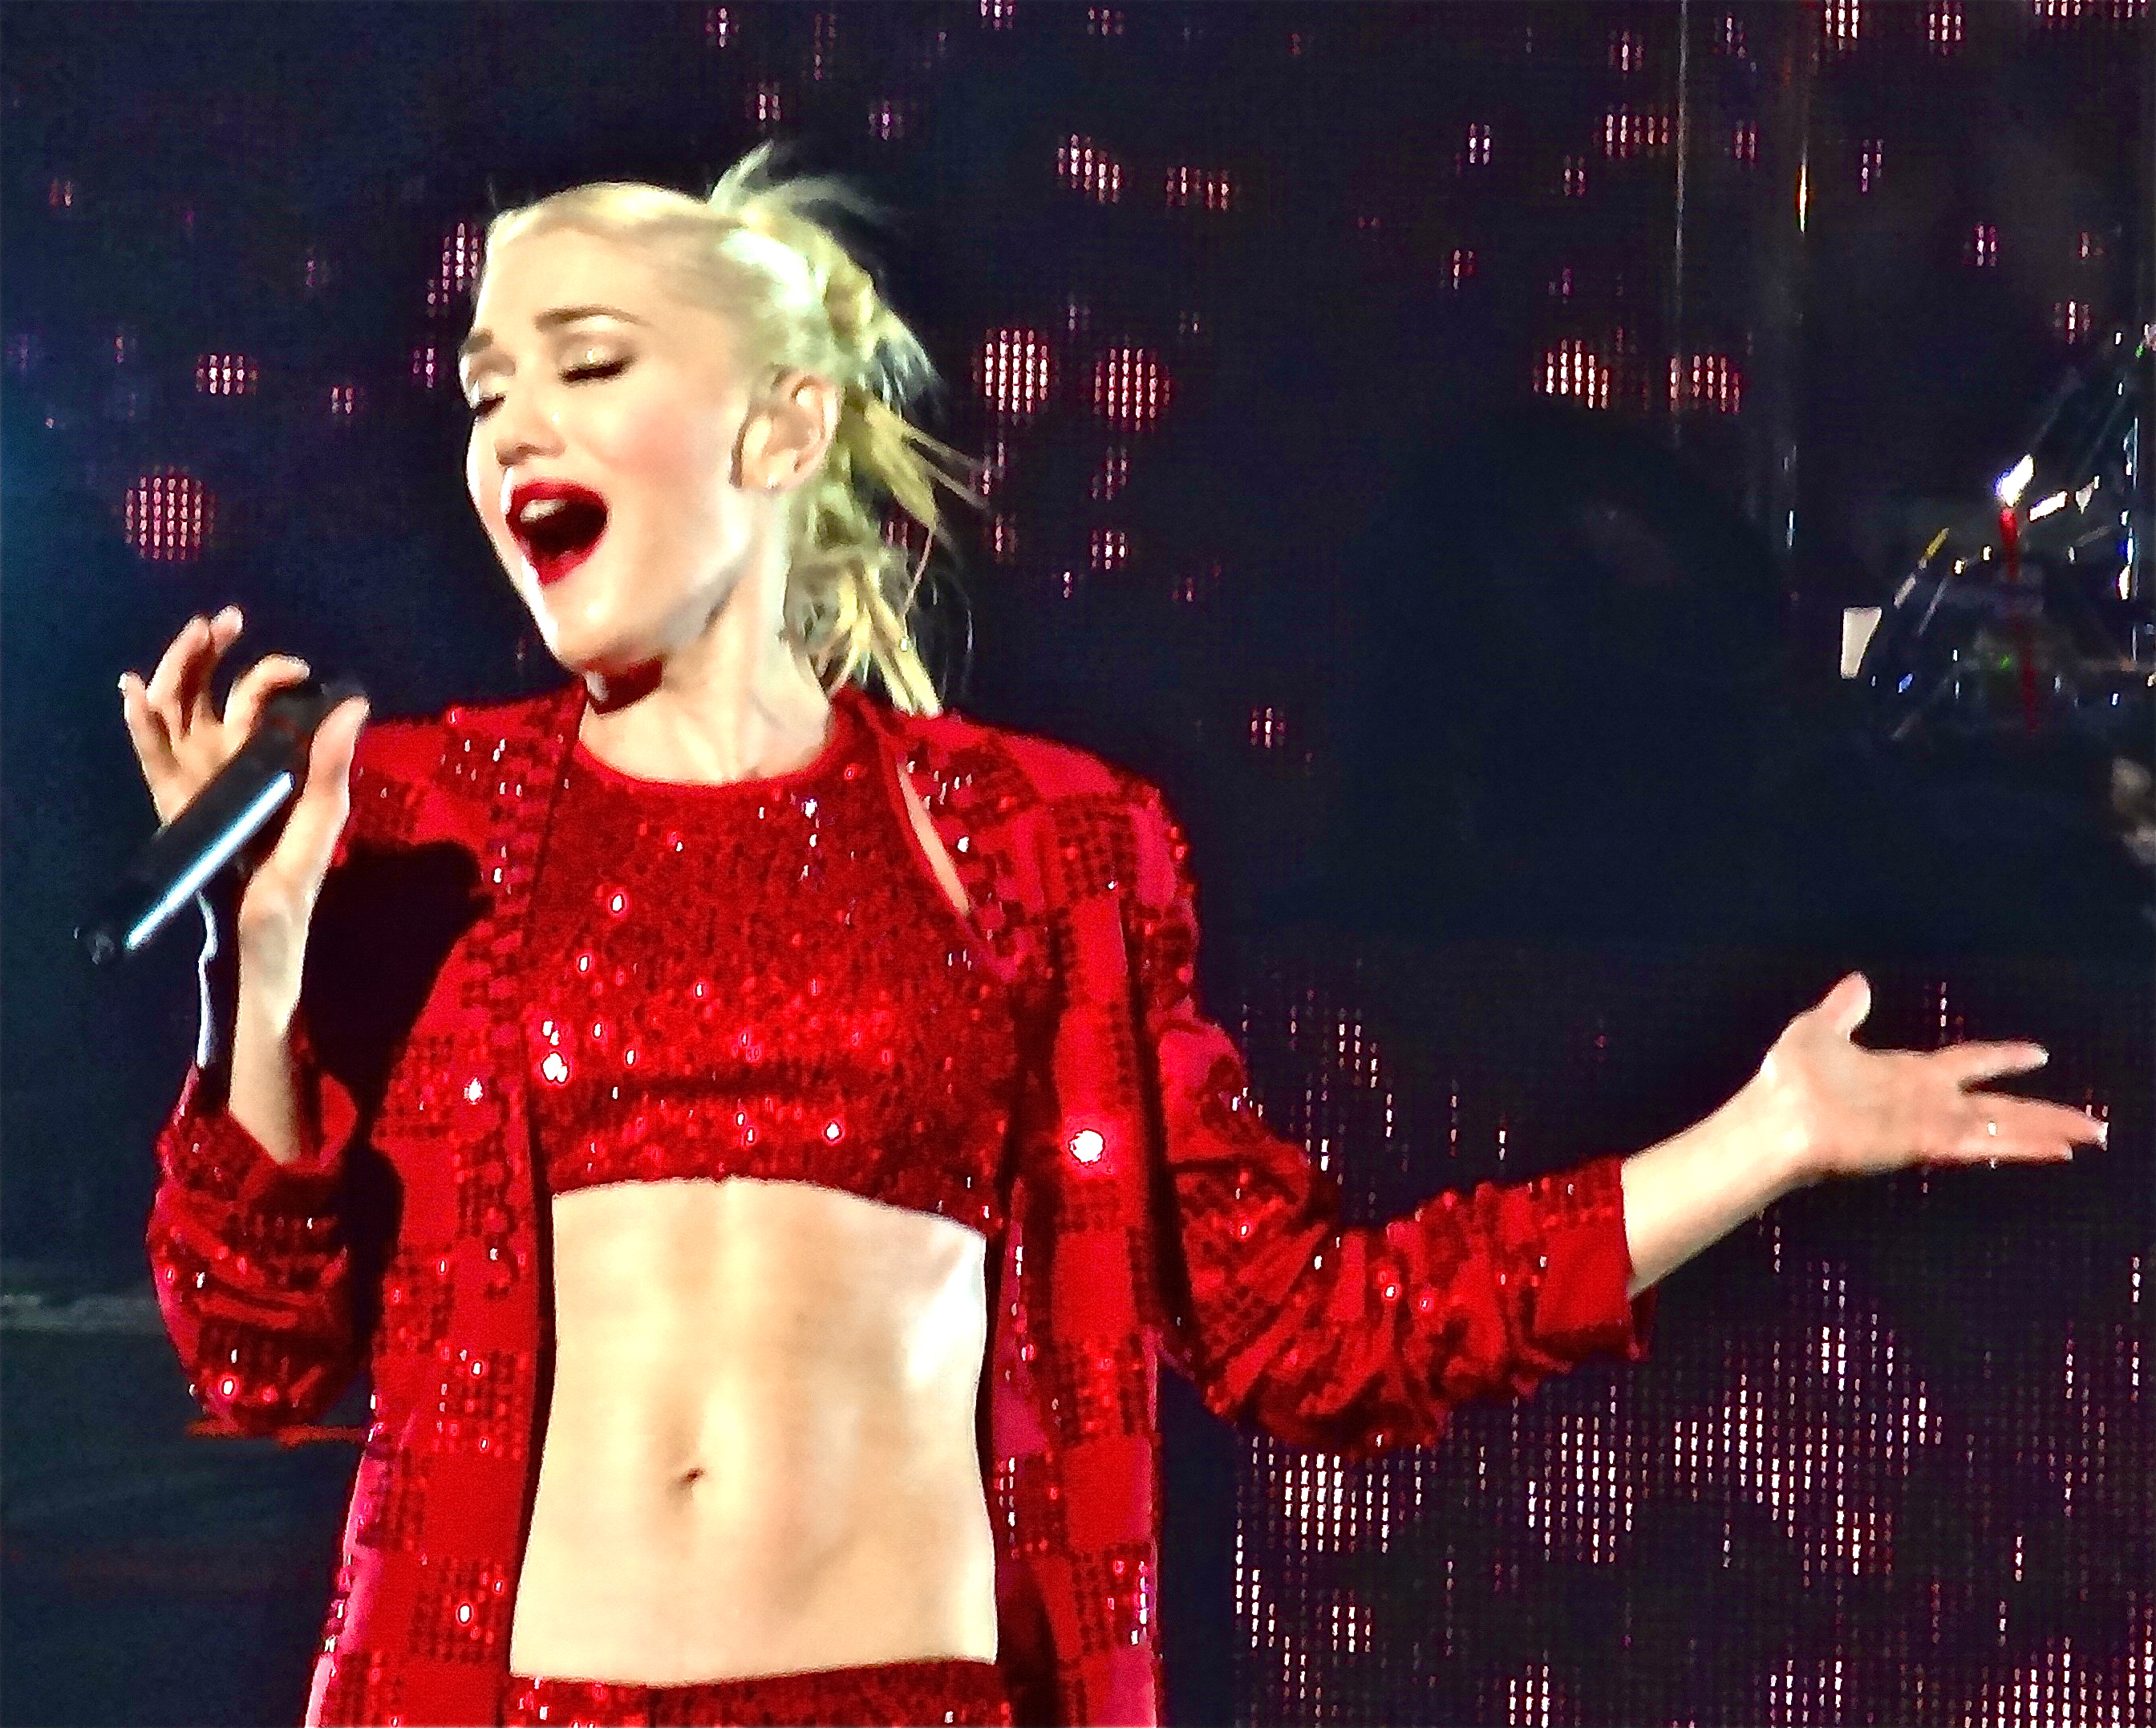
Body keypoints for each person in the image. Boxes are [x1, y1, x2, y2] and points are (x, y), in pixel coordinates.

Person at [123, 144, 2105, 1728]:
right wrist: (259, 985)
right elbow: (259, 1355)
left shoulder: (1035, 847)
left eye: (587, 362)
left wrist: (1765, 1138)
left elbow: (1296, 1327)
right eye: (487, 386)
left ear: (784, 429)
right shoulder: (428, 825)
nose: (512, 427)